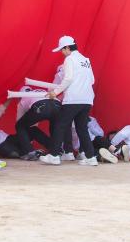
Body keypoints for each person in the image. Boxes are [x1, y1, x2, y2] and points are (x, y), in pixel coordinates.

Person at [39, 36, 98, 166]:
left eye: (62, 49)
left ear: (67, 48)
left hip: (73, 99)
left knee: (60, 125)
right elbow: (92, 80)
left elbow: (68, 79)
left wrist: (55, 92)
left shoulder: (69, 59)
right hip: (87, 99)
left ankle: (54, 155)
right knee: (82, 128)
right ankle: (90, 157)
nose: (62, 52)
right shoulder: (86, 60)